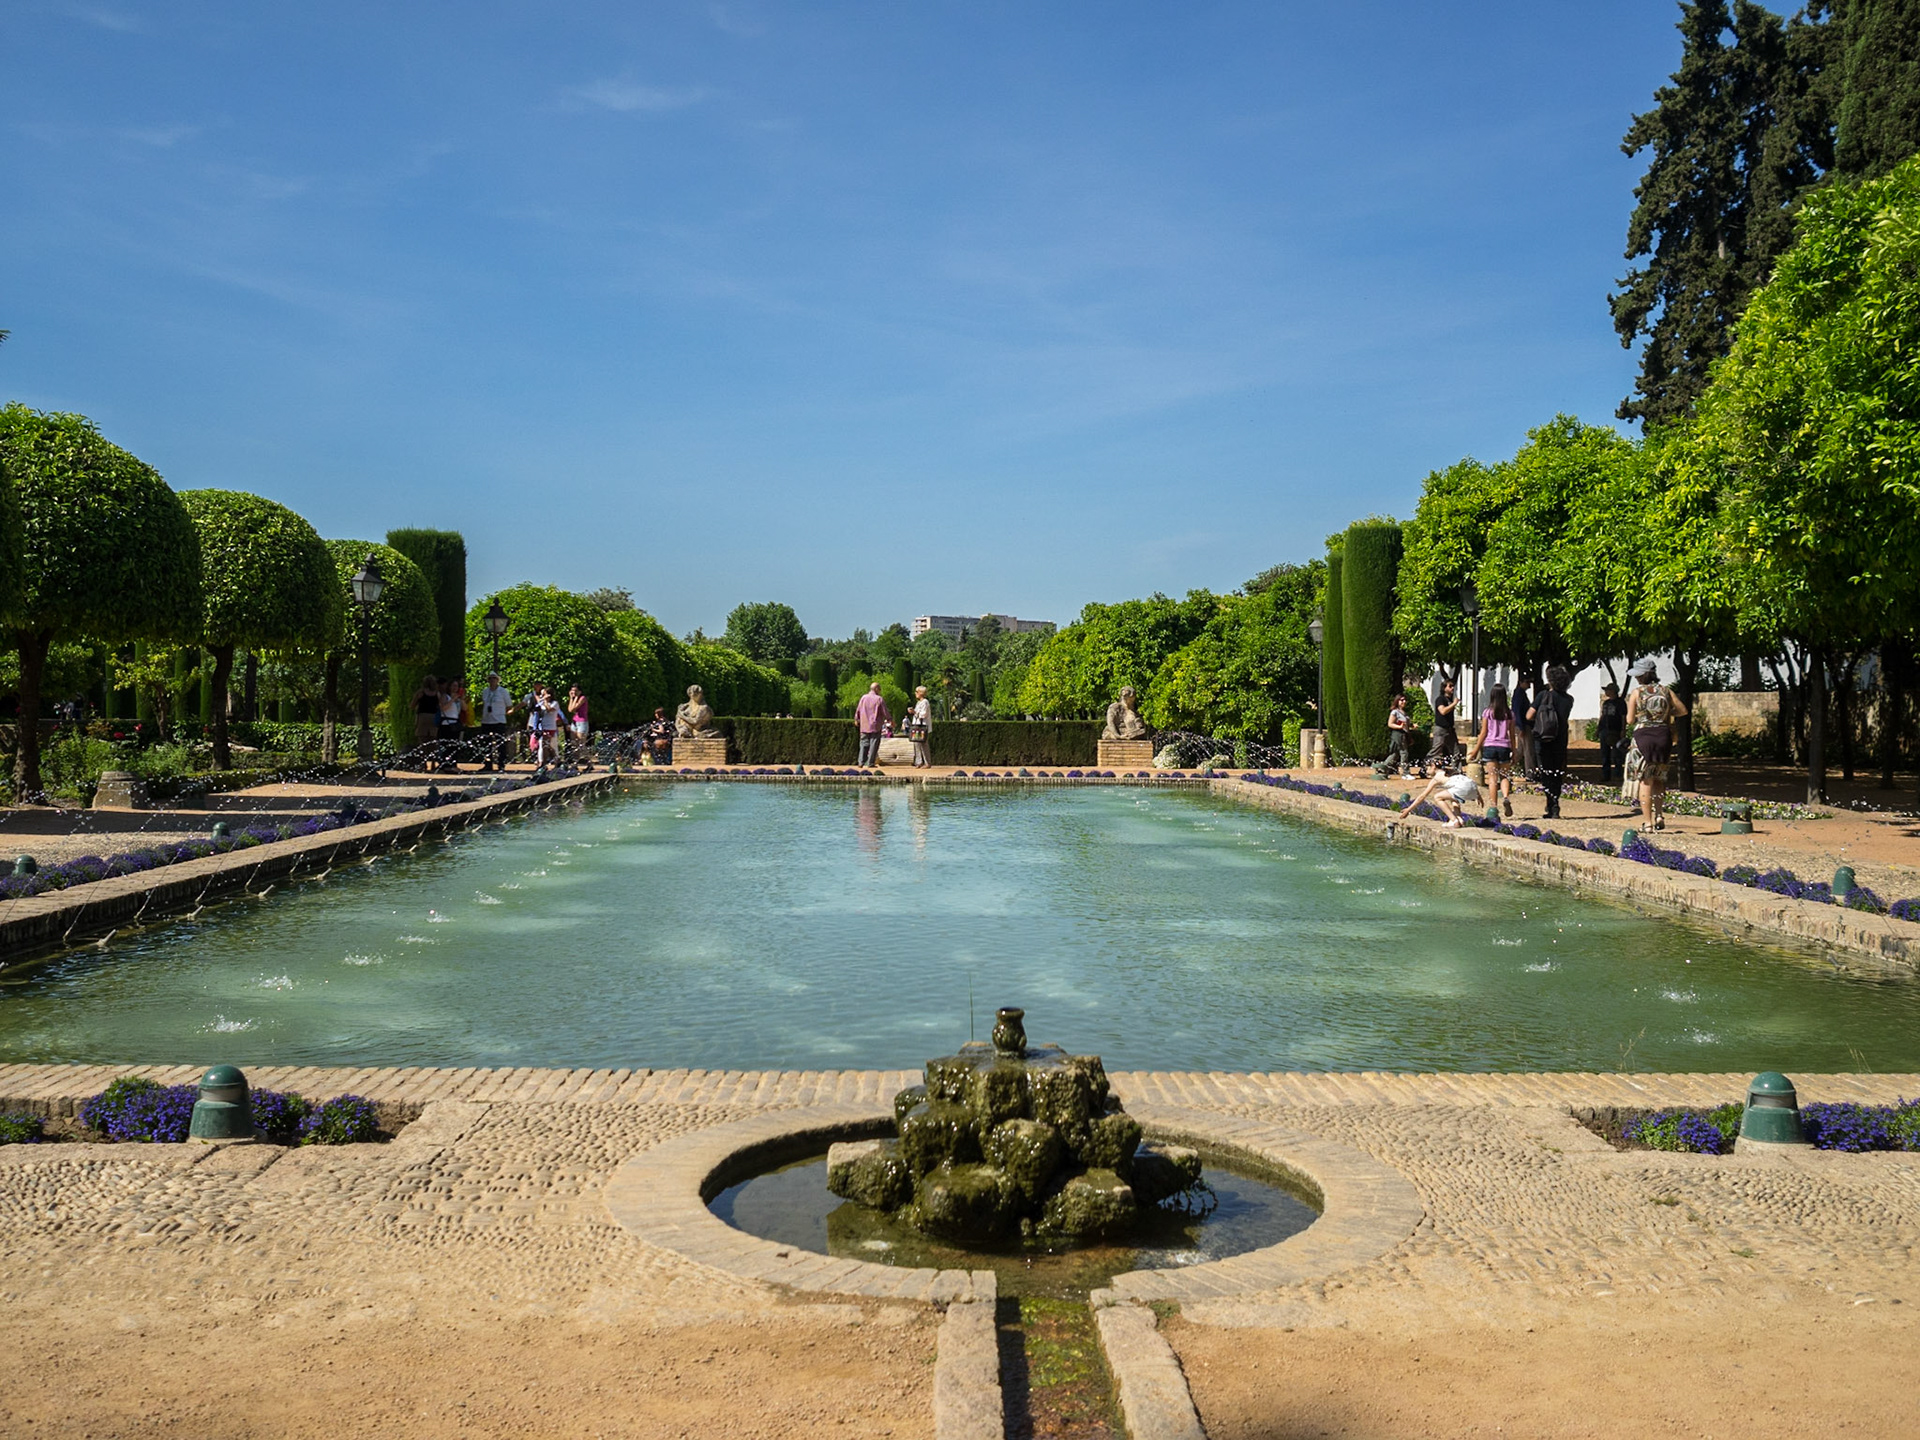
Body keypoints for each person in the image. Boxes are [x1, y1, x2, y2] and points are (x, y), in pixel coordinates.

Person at [1627, 660, 1687, 831]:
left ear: (1641, 675)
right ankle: (1659, 815)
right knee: (1659, 779)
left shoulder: (1637, 693)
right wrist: (1666, 713)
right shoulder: (1666, 691)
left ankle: (1648, 822)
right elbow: (1683, 710)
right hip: (1663, 736)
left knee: (1645, 781)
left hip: (1643, 738)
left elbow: (1630, 720)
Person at [1528, 665, 1574, 819]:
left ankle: (1551, 804)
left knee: (1546, 771)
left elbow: (1529, 715)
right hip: (1560, 739)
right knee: (1556, 772)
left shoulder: (1543, 695)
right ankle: (1555, 804)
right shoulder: (1569, 700)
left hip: (1543, 738)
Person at [1397, 761, 1483, 828]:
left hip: (1463, 788)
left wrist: (1408, 810)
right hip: (1473, 787)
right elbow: (1467, 781)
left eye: (1427, 768)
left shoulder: (1436, 778)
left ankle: (1454, 820)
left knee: (1437, 797)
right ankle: (1459, 819)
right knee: (1453, 798)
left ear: (1433, 766)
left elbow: (1422, 796)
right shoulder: (1451, 771)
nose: (1426, 771)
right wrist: (1478, 796)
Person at [1477, 683, 1515, 817]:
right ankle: (1505, 797)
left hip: (1490, 746)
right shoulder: (1509, 714)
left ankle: (1493, 807)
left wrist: (1476, 749)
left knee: (1492, 779)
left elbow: (1483, 732)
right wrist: (1514, 752)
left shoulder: (1487, 712)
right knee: (1504, 776)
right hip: (1504, 746)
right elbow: (1512, 734)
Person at [478, 671, 510, 772]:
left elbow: (509, 705)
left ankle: (501, 765)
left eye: (494, 678)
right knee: (486, 744)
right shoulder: (485, 691)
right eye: (490, 678)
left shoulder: (503, 691)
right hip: (487, 720)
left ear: (497, 680)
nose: (492, 680)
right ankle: (487, 764)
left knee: (500, 744)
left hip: (499, 720)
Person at [854, 680, 891, 768]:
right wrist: (890, 719)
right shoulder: (879, 699)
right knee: (874, 744)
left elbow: (858, 710)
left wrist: (856, 719)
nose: (880, 690)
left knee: (863, 743)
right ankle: (870, 763)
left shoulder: (863, 697)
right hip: (875, 725)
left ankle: (861, 762)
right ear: (876, 689)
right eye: (879, 689)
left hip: (864, 725)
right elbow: (885, 711)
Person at [1597, 682, 1627, 785]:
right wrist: (1598, 729)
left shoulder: (1620, 703)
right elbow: (1602, 716)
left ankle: (1618, 774)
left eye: (1608, 690)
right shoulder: (1605, 703)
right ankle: (1606, 775)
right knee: (1605, 754)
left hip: (1616, 730)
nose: (1605, 692)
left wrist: (1623, 730)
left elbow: (1623, 717)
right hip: (1604, 730)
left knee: (1617, 754)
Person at [1428, 678, 1459, 769]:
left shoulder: (1450, 699)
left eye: (1453, 686)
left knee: (1455, 752)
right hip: (1441, 729)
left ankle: (1456, 771)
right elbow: (1443, 711)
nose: (1452, 688)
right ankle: (1425, 767)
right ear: (1444, 688)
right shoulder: (1440, 699)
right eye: (1450, 686)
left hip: (1450, 729)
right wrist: (1454, 704)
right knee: (1436, 750)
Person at [1510, 676, 1534, 777]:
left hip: (1522, 724)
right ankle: (1530, 773)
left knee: (1520, 750)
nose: (1529, 684)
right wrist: (1521, 727)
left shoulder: (1520, 693)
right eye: (1527, 682)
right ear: (1521, 682)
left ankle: (1508, 766)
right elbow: (1517, 712)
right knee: (1528, 750)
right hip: (1522, 725)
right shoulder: (1519, 694)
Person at [567, 684, 592, 770]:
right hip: (574, 722)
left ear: (580, 691)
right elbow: (570, 709)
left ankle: (589, 762)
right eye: (572, 690)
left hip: (582, 722)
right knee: (574, 743)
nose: (574, 692)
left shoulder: (582, 698)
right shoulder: (574, 699)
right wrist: (571, 698)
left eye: (575, 691)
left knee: (581, 744)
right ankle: (575, 763)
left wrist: (576, 697)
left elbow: (574, 708)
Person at [1385, 693, 1411, 776]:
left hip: (1404, 734)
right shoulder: (1395, 712)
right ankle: (1406, 773)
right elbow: (1390, 724)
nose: (1404, 701)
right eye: (1401, 700)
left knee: (1395, 754)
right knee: (1404, 753)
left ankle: (1382, 768)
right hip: (1398, 734)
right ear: (1397, 701)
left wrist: (1412, 726)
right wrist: (1399, 727)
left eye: (1405, 700)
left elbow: (1406, 725)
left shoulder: (1404, 713)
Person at [908, 685, 933, 768]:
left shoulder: (925, 702)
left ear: (921, 693)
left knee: (924, 744)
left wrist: (914, 712)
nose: (915, 693)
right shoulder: (919, 702)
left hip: (922, 726)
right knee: (916, 743)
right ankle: (919, 762)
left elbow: (923, 714)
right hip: (917, 726)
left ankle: (927, 762)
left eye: (917, 692)